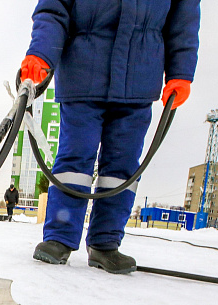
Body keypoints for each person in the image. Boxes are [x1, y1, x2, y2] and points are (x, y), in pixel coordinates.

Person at [22, 0, 200, 274]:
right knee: (75, 159)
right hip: (83, 72)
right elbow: (54, 8)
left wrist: (181, 71)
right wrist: (41, 53)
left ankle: (105, 243)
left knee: (123, 166)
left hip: (139, 77)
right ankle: (59, 237)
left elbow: (183, 18)